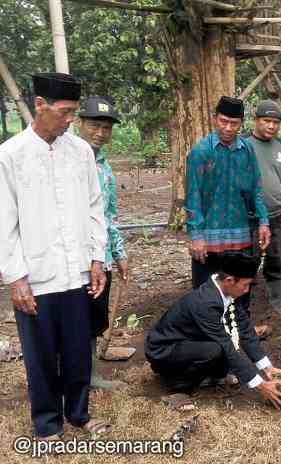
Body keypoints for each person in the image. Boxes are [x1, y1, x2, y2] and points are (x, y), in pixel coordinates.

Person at [0, 73, 111, 438]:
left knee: (78, 350)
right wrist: (15, 278)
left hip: (77, 272)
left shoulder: (80, 152)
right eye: (64, 112)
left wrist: (97, 259)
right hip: (36, 276)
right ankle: (47, 424)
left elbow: (96, 208)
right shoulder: (10, 156)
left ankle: (79, 414)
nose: (69, 121)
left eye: (73, 113)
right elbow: (4, 225)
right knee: (41, 355)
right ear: (40, 105)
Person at [145, 252, 281, 411]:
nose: (247, 290)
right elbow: (224, 344)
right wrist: (260, 385)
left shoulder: (227, 292)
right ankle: (178, 388)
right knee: (215, 350)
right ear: (229, 280)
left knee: (223, 353)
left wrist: (267, 368)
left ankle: (209, 376)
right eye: (245, 285)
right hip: (164, 351)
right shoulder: (205, 302)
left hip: (189, 342)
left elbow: (245, 330)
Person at [185, 96, 270, 334]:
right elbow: (192, 197)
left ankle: (241, 335)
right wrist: (196, 236)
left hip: (239, 235)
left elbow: (256, 188)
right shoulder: (201, 152)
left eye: (234, 123)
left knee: (241, 288)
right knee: (207, 291)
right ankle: (207, 339)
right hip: (209, 238)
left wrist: (263, 221)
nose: (228, 128)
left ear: (241, 124)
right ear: (215, 119)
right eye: (224, 121)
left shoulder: (247, 150)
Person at [76, 96, 129, 390]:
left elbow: (109, 216)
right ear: (80, 123)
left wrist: (119, 252)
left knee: (95, 319)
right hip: (73, 257)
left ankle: (91, 375)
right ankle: (69, 375)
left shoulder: (106, 169)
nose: (100, 132)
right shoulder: (67, 160)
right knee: (70, 319)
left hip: (102, 256)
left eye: (106, 128)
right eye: (95, 125)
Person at [244, 100, 281, 313]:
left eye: (276, 122)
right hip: (252, 217)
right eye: (267, 121)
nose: (271, 126)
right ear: (256, 120)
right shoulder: (244, 145)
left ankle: (275, 299)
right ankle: (244, 303)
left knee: (277, 258)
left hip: (278, 213)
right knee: (250, 259)